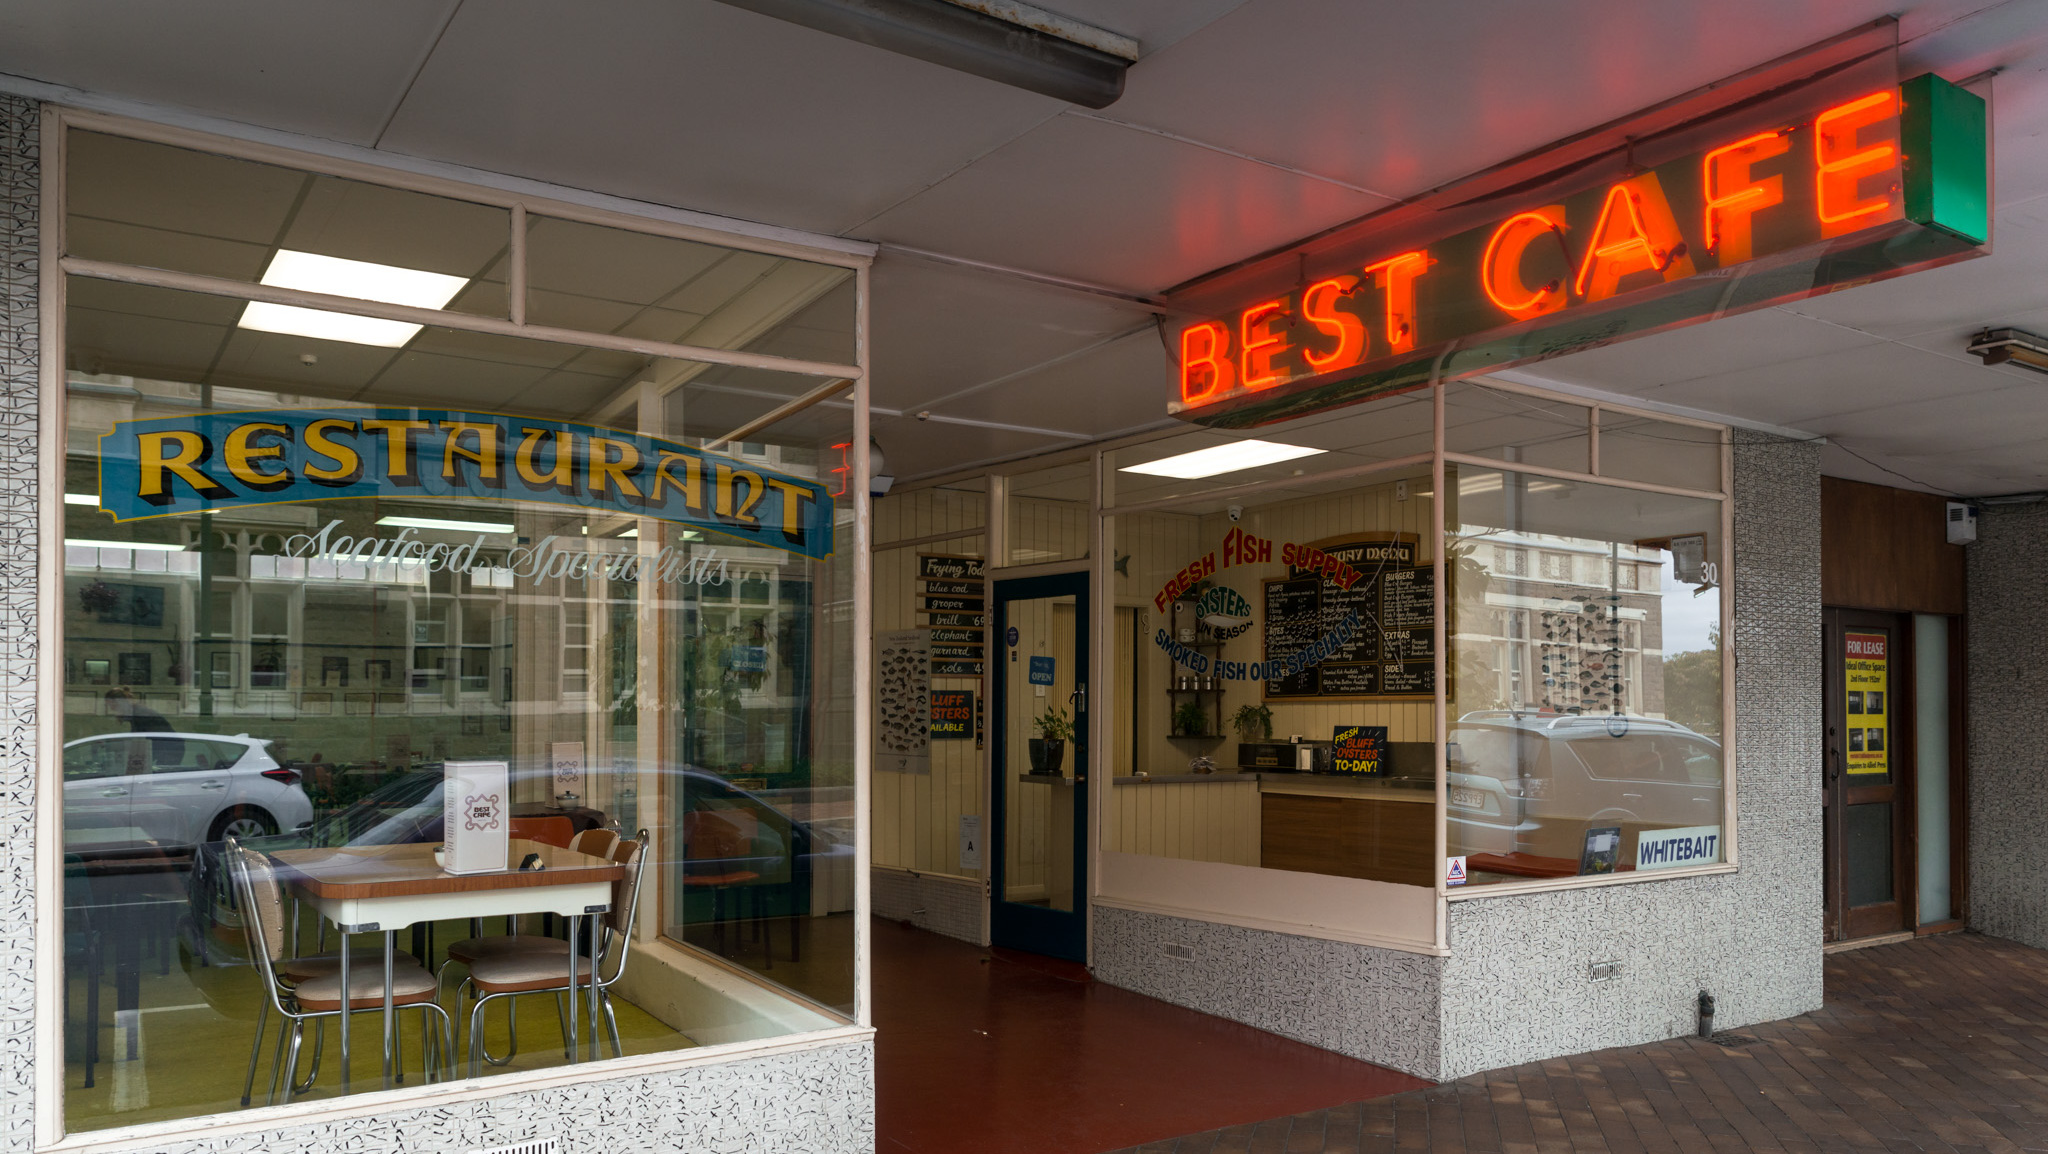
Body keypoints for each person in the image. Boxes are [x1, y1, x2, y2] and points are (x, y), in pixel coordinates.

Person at [104, 686, 183, 763]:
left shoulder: (139, 714)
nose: (112, 709)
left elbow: (139, 740)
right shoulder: (134, 713)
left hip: (169, 749)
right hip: (166, 747)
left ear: (120, 702)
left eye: (112, 705)